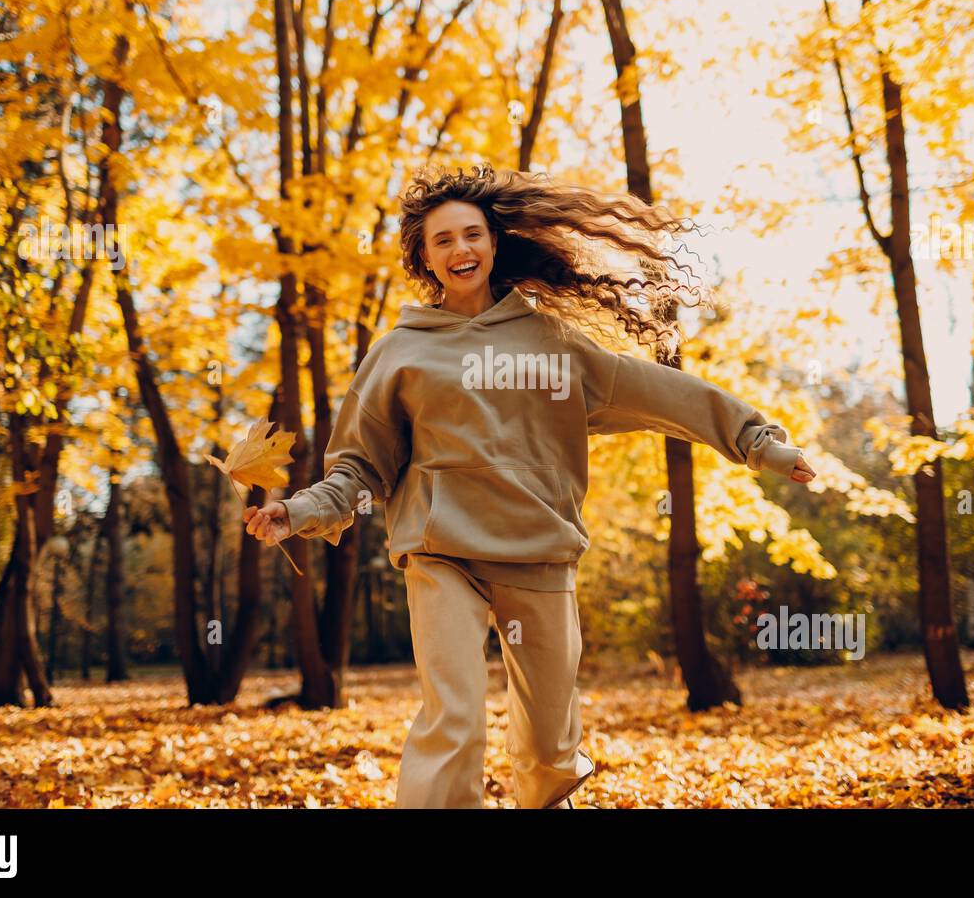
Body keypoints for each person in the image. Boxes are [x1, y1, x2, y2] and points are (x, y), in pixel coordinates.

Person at [244, 163, 816, 809]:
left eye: (472, 235)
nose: (461, 249)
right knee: (452, 720)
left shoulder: (552, 343)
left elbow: (662, 392)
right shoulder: (401, 352)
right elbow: (358, 467)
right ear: (424, 256)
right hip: (442, 554)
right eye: (443, 240)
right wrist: (298, 512)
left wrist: (756, 440)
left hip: (538, 552)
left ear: (493, 242)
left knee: (549, 749)